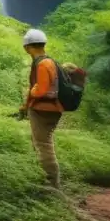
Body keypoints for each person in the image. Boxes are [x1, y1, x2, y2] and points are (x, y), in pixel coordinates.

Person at [20, 28, 64, 189]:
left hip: (43, 109)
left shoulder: (43, 64)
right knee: (41, 142)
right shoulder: (47, 61)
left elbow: (41, 89)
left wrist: (31, 90)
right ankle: (43, 176)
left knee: (43, 144)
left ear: (27, 47)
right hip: (50, 108)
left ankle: (52, 183)